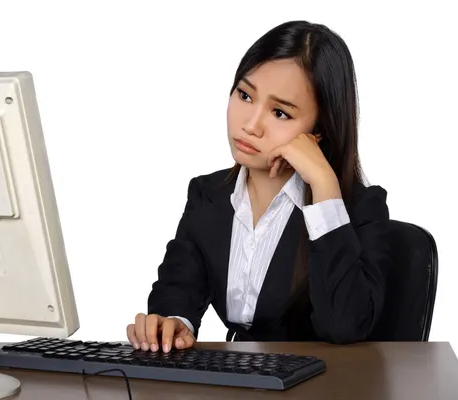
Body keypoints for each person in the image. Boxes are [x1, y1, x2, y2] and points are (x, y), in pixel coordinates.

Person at [126, 20, 392, 353]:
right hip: (237, 381)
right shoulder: (208, 194)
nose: (250, 124)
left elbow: (345, 325)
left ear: (319, 131)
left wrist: (323, 184)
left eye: (280, 113)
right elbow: (178, 286)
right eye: (245, 95)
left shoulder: (357, 208)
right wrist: (174, 323)